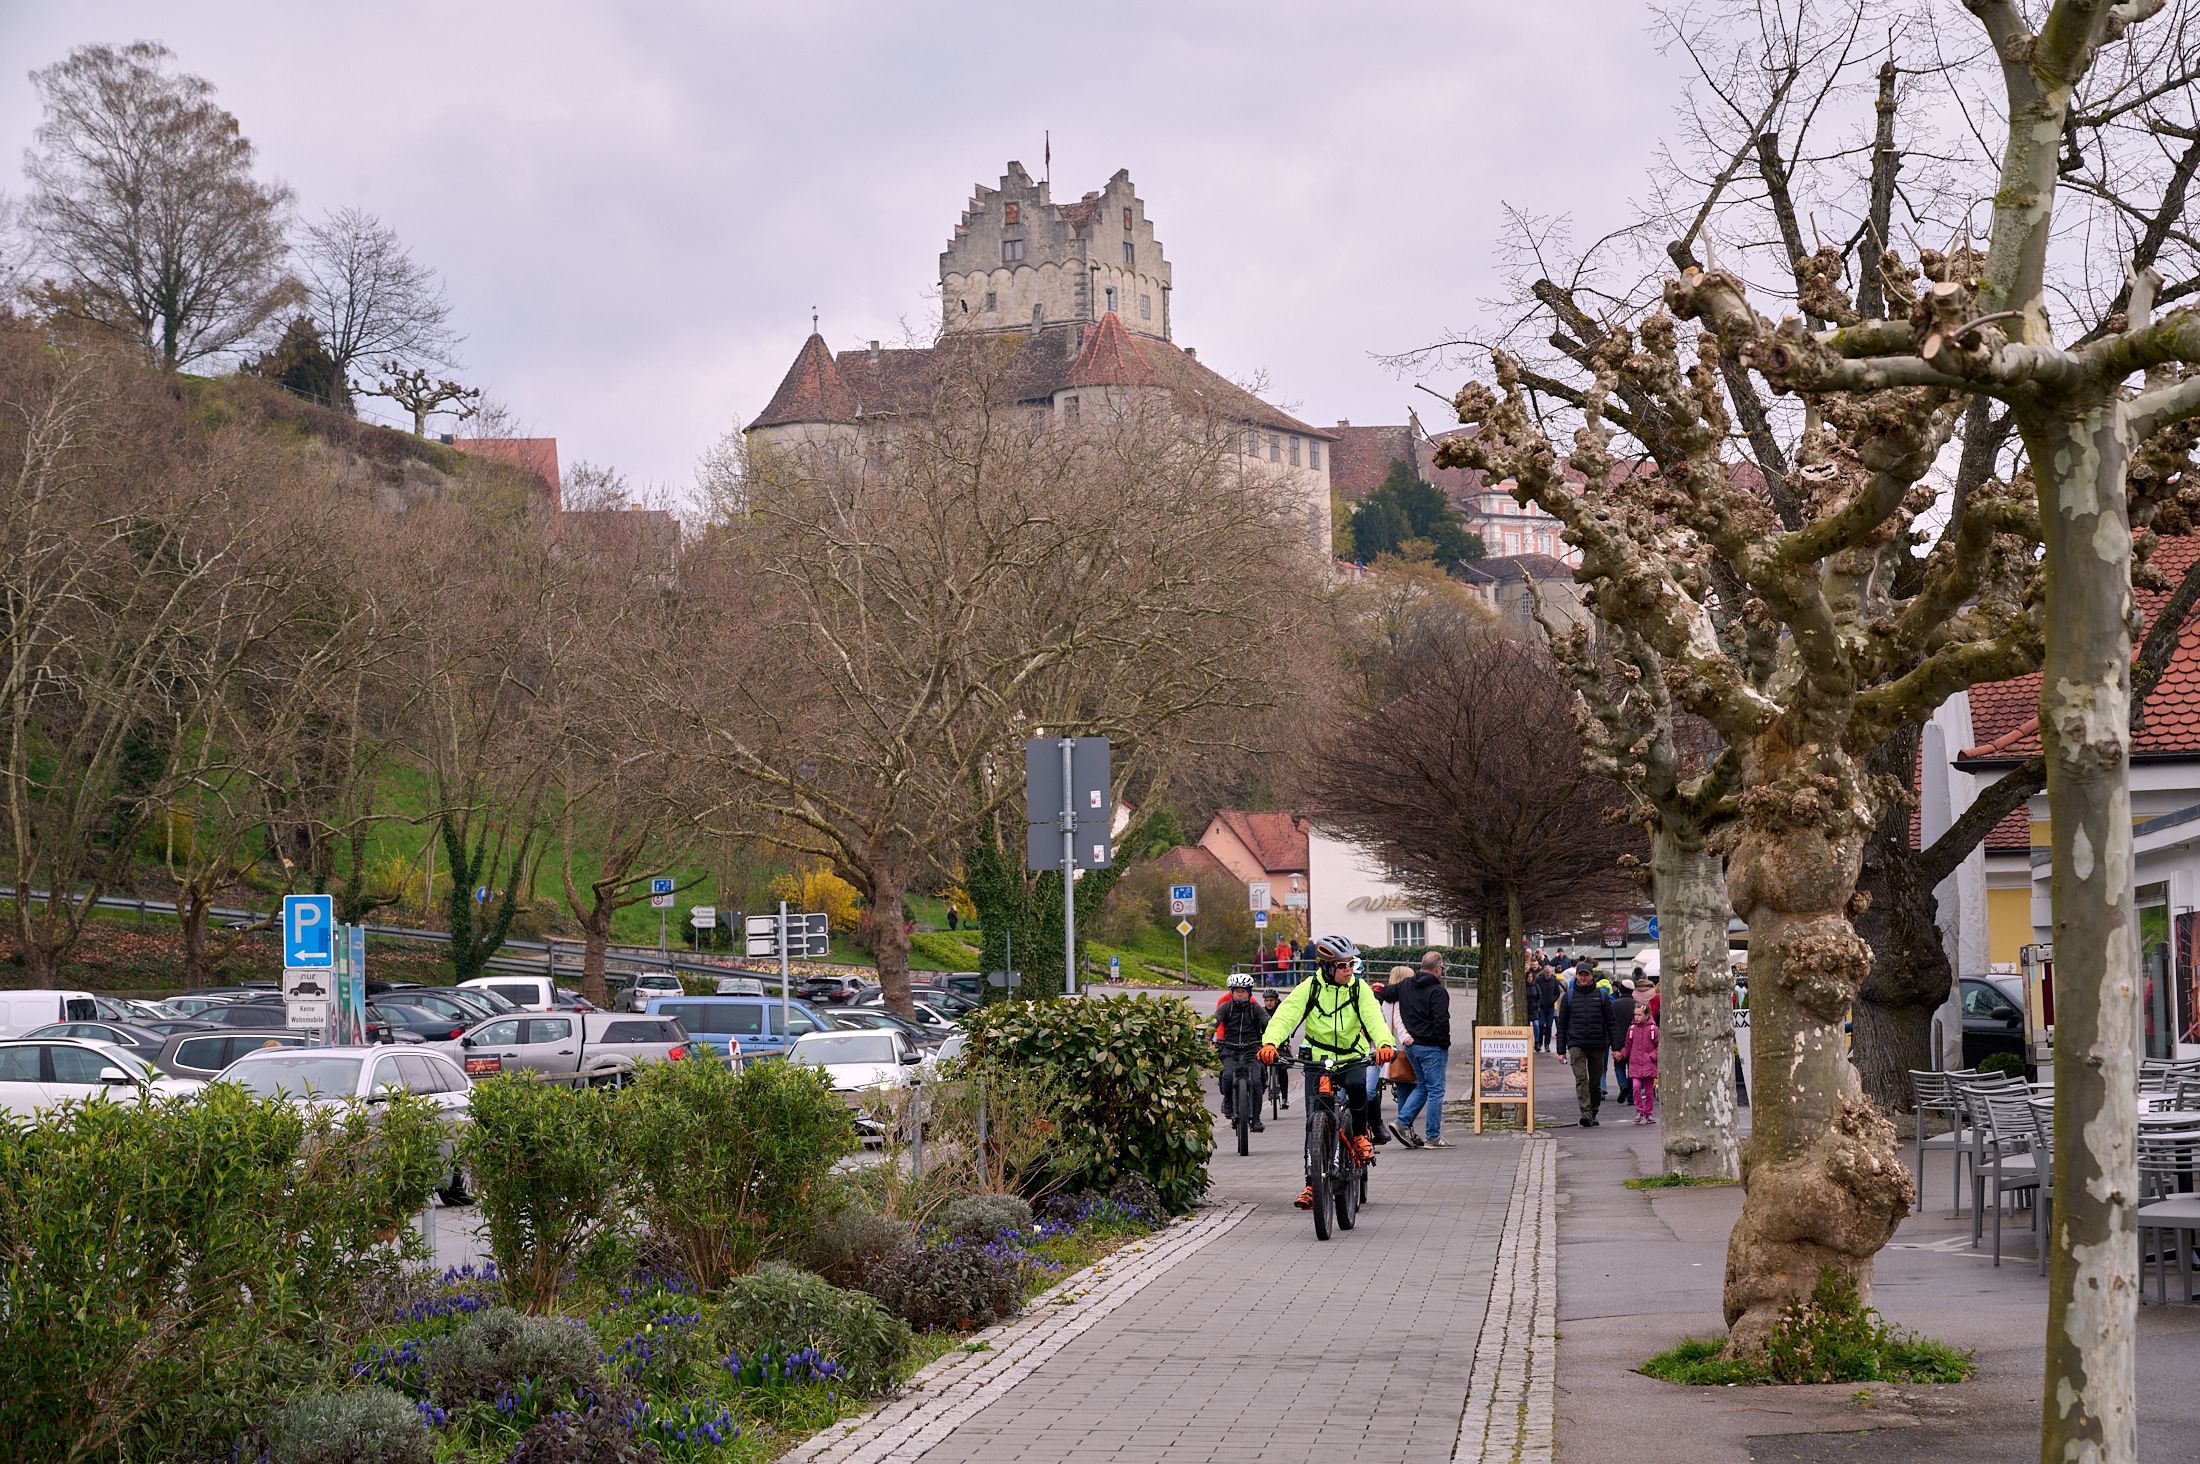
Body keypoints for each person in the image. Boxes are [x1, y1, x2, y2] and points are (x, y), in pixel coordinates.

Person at [1259, 934, 1396, 1211]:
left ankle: (1358, 1134)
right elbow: (1286, 1016)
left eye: (1350, 964)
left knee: (1358, 1087)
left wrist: (1384, 1044)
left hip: (1351, 1055)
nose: (1349, 970)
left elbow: (1374, 1019)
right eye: (1343, 965)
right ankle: (1312, 1184)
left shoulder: (1359, 989)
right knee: (1314, 1121)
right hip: (1318, 1058)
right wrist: (1270, 1043)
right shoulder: (1309, 988)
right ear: (1327, 967)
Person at [1387, 950, 1454, 1148]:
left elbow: (1386, 993)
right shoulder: (1438, 991)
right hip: (1432, 1048)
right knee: (1436, 1091)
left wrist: (1376, 990)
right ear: (1437, 969)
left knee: (1423, 1087)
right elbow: (1442, 1020)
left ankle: (1401, 1122)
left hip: (1412, 1048)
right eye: (1441, 968)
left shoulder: (1406, 985)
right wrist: (1444, 1043)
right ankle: (1432, 1137)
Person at [1555, 958, 1620, 1127]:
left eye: (1586, 975)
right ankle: (1585, 1112)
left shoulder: (1602, 996)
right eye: (1580, 975)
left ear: (1592, 976)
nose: (1583, 978)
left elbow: (1611, 1023)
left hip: (1597, 1044)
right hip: (1576, 1043)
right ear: (1576, 976)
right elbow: (1561, 1025)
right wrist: (1561, 1050)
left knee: (1594, 1082)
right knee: (1581, 1078)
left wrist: (1617, 1047)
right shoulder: (1568, 997)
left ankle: (1594, 1110)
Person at [1213, 972, 1267, 1131]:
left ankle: (1256, 1119)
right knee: (1227, 1076)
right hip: (1230, 1049)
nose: (1240, 994)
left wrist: (1274, 1038)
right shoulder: (1226, 1007)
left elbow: (1267, 1022)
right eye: (1237, 991)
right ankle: (1228, 1101)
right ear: (1231, 992)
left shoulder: (1255, 1008)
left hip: (1252, 1050)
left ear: (1249, 992)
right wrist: (1207, 1035)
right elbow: (1214, 1021)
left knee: (1257, 1082)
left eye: (1243, 991)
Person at [1616, 1001, 1659, 1122]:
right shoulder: (1632, 1029)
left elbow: (1659, 1046)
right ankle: (1639, 1111)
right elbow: (1628, 1046)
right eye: (1635, 1015)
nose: (1636, 1017)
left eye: (1639, 1015)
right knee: (1635, 1087)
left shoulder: (1653, 1029)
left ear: (1646, 1015)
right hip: (1635, 1064)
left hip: (1648, 1064)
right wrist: (1622, 1054)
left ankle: (1648, 1112)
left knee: (1649, 1092)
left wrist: (1652, 1056)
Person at [1609, 977, 1639, 1110]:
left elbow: (1609, 1024)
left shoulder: (1614, 1004)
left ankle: (1623, 1086)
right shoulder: (1638, 1005)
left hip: (1619, 1041)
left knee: (1619, 1066)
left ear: (1620, 991)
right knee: (1632, 1069)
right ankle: (1631, 1097)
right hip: (1635, 1041)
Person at [1260, 988, 1288, 1108]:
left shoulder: (1282, 1011)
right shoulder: (1261, 1012)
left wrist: (1286, 1043)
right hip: (1265, 1044)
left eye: (1271, 1000)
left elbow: (1286, 1028)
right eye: (1266, 1001)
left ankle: (1285, 1098)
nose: (1269, 1003)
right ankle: (1264, 1081)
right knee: (1260, 1065)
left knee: (1282, 1068)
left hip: (1280, 1044)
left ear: (1276, 1000)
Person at [1528, 963, 1561, 1052]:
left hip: (1550, 1006)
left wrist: (1553, 1000)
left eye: (1549, 973)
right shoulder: (1539, 980)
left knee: (1549, 1025)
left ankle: (1547, 1044)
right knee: (1541, 1024)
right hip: (1541, 1007)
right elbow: (1537, 992)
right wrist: (1539, 1003)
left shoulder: (1554, 980)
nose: (1548, 974)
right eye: (1547, 972)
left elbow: (1557, 993)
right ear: (1544, 972)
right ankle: (1539, 1043)